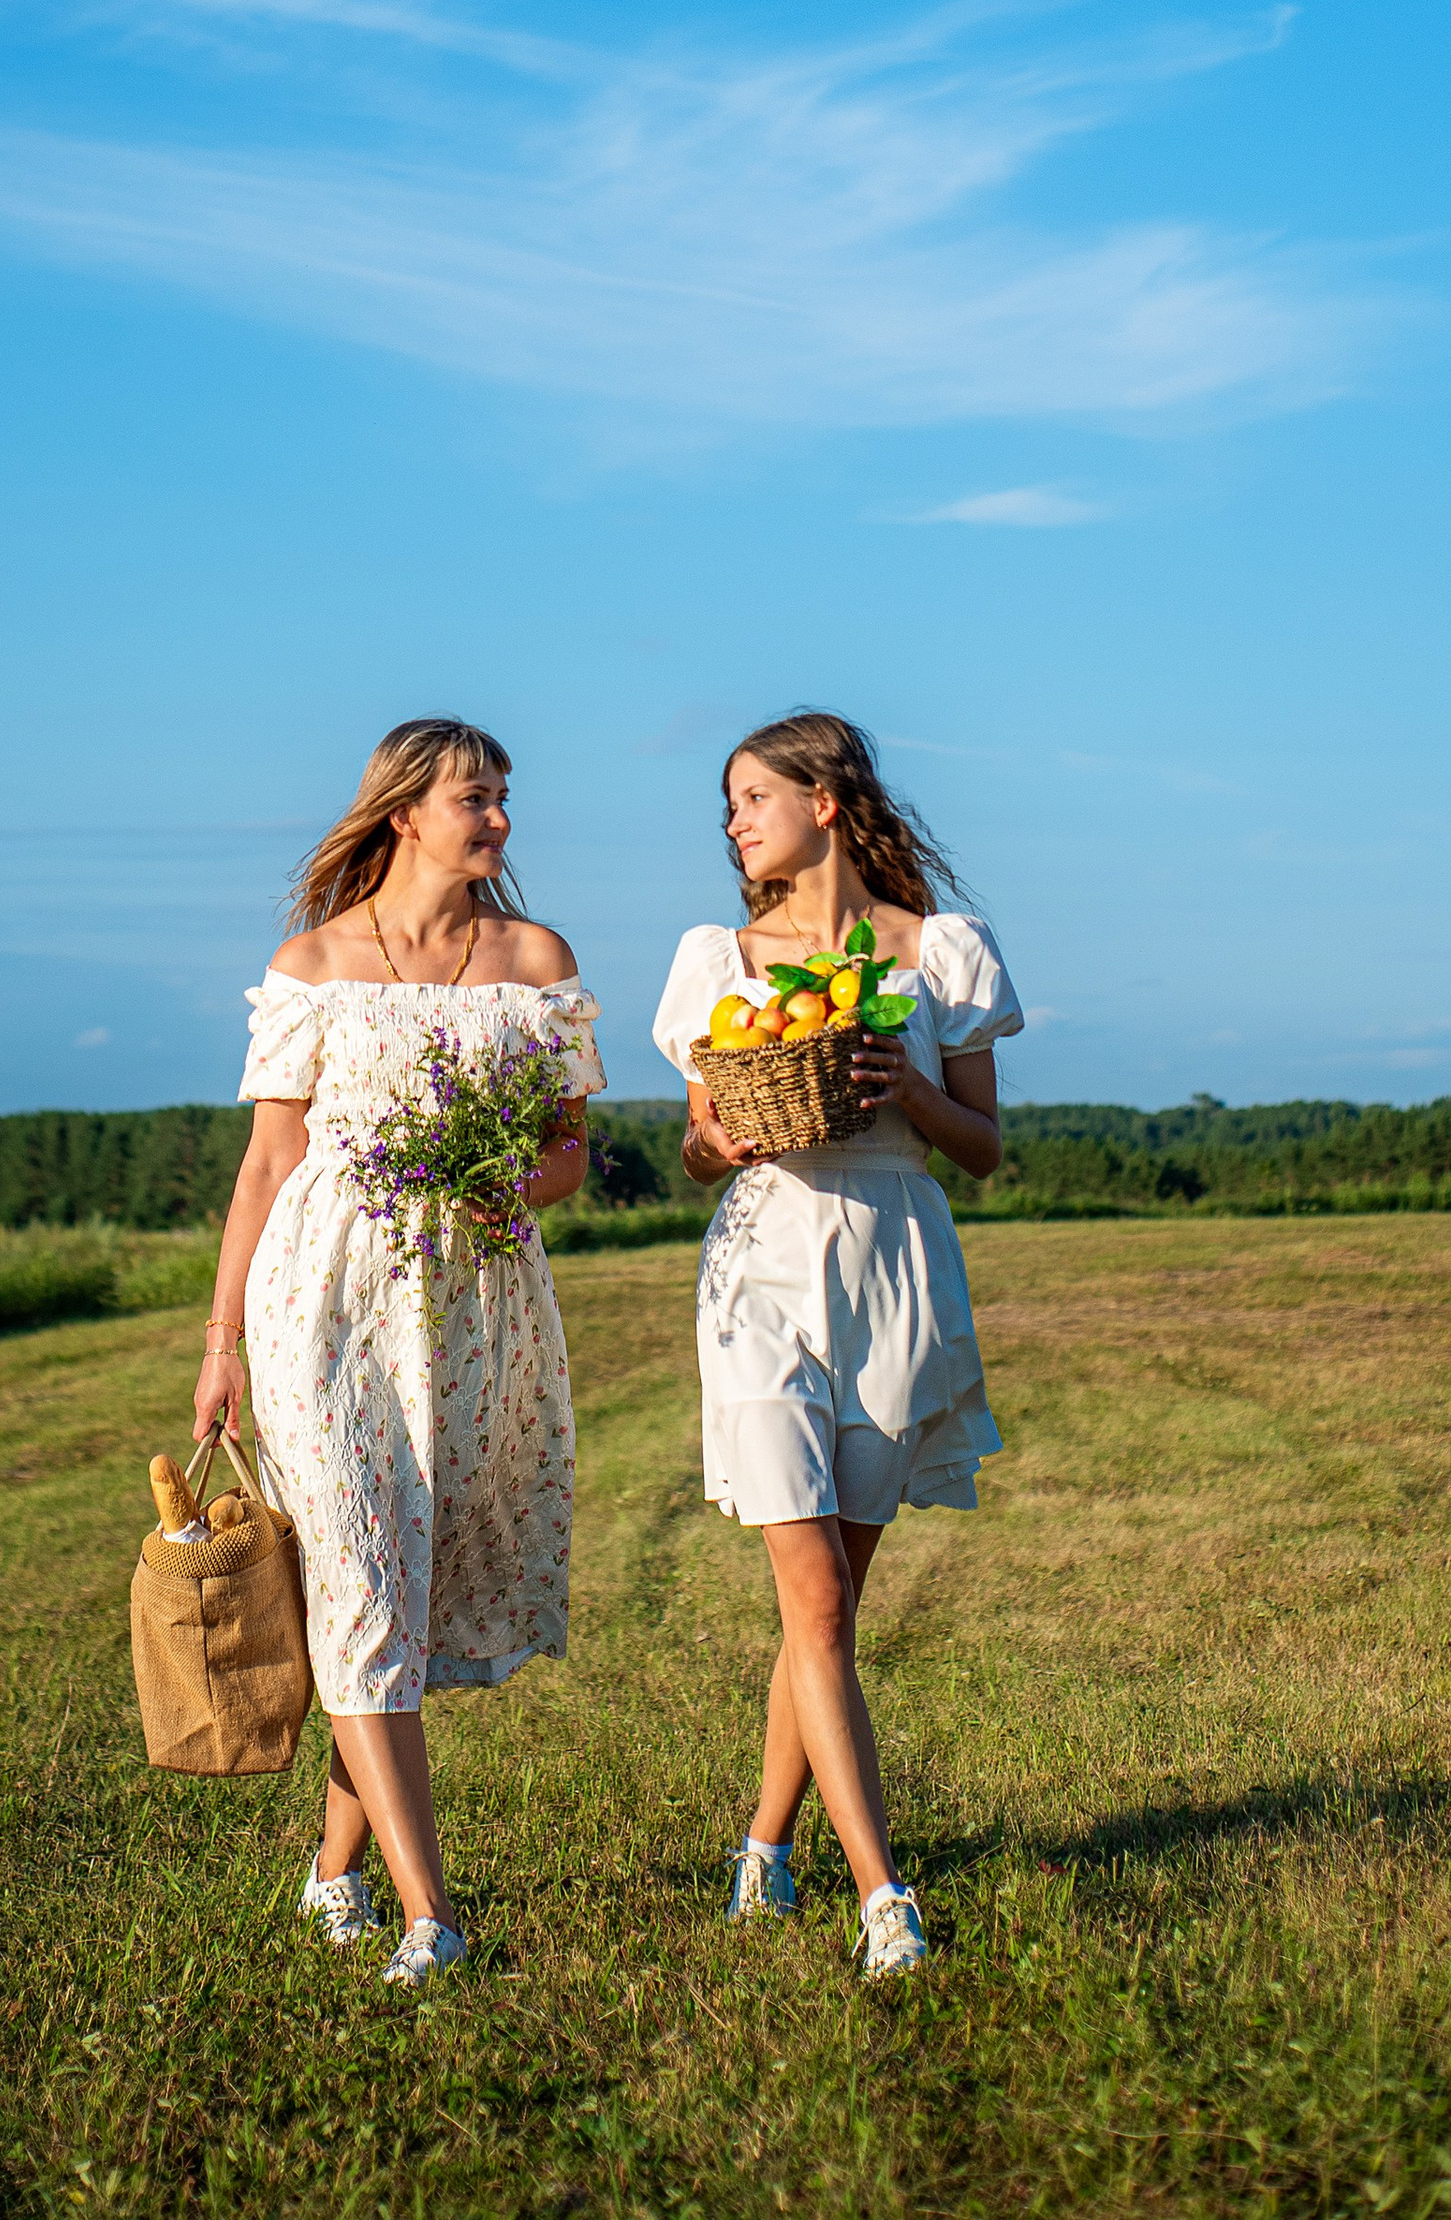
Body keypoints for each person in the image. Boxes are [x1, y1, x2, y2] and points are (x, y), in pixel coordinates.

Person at [196, 716, 601, 1989]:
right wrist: (221, 1344)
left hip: (473, 1309)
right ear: (405, 811)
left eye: (502, 799)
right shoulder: (311, 961)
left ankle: (333, 1873)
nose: (500, 822)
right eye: (478, 799)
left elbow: (571, 1153)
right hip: (317, 1299)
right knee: (360, 1577)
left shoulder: (534, 958)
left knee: (397, 1595)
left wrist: (511, 1191)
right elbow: (267, 1162)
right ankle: (433, 1915)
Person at [651, 709, 1021, 1981]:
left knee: (832, 1611)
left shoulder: (941, 952)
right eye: (728, 807)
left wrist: (897, 1085)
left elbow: (979, 1148)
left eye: (751, 795)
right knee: (808, 1596)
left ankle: (763, 1846)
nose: (735, 822)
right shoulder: (720, 960)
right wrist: (726, 1141)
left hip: (896, 1261)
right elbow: (697, 1143)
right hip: (761, 1267)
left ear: (826, 797)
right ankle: (884, 1896)